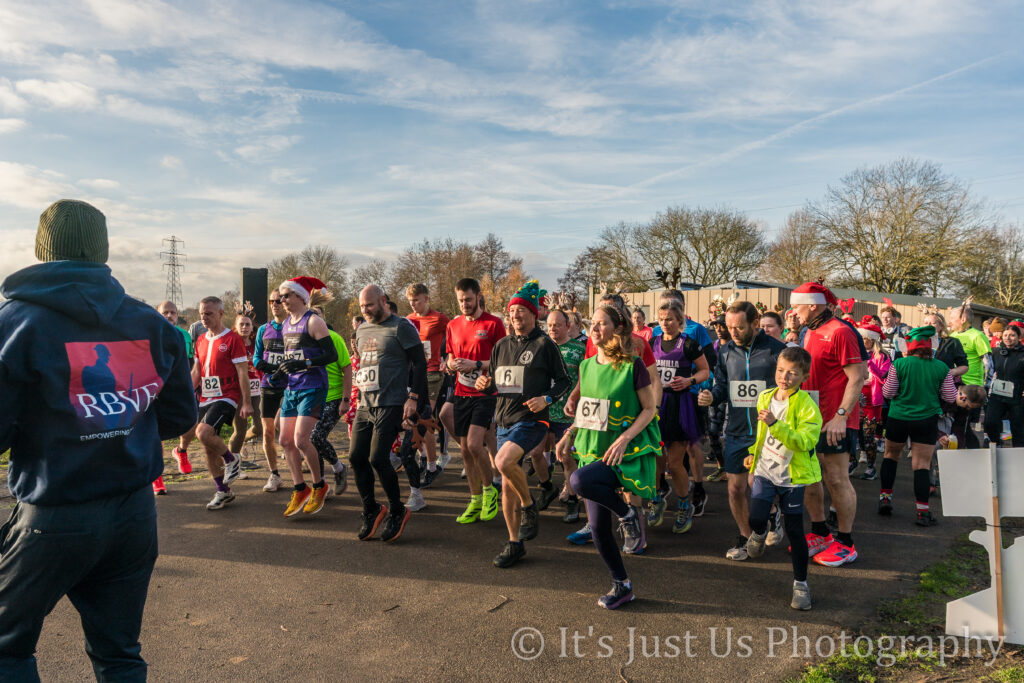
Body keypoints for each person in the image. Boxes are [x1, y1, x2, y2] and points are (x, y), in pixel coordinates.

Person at [0, 199, 198, 680]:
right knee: (119, 653)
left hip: (56, 512)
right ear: (102, 250)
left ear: (43, 249)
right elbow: (177, 415)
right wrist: (120, 424)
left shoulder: (15, 324)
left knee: (6, 647)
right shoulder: (152, 323)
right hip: (134, 514)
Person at [555, 304, 661, 608]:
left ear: (618, 329)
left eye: (603, 324)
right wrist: (570, 432)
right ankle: (622, 584)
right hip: (592, 448)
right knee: (599, 528)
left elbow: (649, 409)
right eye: (594, 324)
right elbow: (588, 410)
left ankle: (627, 513)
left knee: (578, 481)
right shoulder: (587, 366)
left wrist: (626, 439)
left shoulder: (633, 365)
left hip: (624, 454)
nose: (596, 329)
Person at [475, 281, 572, 568]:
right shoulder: (501, 346)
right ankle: (515, 542)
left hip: (532, 420)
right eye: (512, 311)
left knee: (503, 462)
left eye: (521, 311)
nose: (515, 315)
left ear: (533, 314)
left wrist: (547, 398)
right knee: (506, 485)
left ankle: (530, 507)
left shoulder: (545, 345)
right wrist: (483, 385)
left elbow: (565, 381)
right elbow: (494, 383)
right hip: (504, 419)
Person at [698, 301, 787, 561]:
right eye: (728, 327)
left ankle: (773, 515)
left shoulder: (776, 351)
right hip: (737, 430)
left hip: (767, 431)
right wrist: (710, 397)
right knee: (735, 489)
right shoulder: (725, 352)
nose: (732, 332)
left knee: (757, 484)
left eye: (739, 327)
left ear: (755, 324)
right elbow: (722, 387)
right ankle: (747, 538)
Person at [791, 281, 867, 567]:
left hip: (835, 420)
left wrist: (841, 415)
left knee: (836, 478)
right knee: (811, 475)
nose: (793, 312)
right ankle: (821, 532)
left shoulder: (841, 332)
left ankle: (846, 543)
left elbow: (857, 377)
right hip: (811, 420)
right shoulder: (808, 331)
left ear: (813, 305)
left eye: (797, 306)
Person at [742, 347, 823, 611]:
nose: (784, 378)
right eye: (780, 371)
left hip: (792, 477)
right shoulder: (765, 396)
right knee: (755, 516)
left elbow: (805, 441)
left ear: (804, 376)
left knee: (795, 531)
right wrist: (752, 454)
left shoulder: (807, 406)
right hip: (765, 469)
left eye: (792, 374)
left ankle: (801, 585)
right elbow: (760, 433)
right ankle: (761, 529)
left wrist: (778, 424)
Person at [350, 284, 428, 542]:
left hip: (392, 402)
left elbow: (419, 363)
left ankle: (397, 510)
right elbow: (364, 363)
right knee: (356, 457)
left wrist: (414, 398)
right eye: (362, 306)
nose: (366, 310)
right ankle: (371, 509)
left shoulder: (402, 326)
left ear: (383, 300)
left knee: (378, 459)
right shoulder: (361, 329)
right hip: (366, 402)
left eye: (370, 305)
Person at [273, 277, 339, 517]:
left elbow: (330, 355)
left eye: (287, 295)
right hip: (292, 388)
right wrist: (281, 372)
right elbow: (291, 358)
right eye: (281, 297)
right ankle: (300, 488)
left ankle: (319, 486)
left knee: (302, 439)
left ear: (301, 297)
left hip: (313, 387)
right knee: (285, 441)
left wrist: (306, 363)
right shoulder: (286, 324)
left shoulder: (314, 321)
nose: (282, 300)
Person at [879, 326, 957, 525]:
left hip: (898, 417)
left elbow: (888, 393)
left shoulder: (900, 363)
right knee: (921, 465)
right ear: (931, 346)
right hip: (926, 419)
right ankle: (923, 512)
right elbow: (950, 396)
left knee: (890, 456)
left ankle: (885, 499)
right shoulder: (941, 367)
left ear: (910, 346)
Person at [445, 278, 505, 524]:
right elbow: (450, 356)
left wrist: (477, 365)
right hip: (462, 391)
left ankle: (490, 489)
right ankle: (475, 498)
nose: (464, 304)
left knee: (473, 444)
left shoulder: (493, 324)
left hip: (486, 393)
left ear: (478, 296)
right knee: (464, 450)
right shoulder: (453, 324)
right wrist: (451, 364)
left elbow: (503, 362)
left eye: (468, 299)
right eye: (460, 300)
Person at [648, 300, 709, 535]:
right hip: (657, 405)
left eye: (670, 319)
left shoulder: (689, 344)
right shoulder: (653, 342)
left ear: (680, 319)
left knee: (675, 464)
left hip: (681, 405)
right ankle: (656, 499)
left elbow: (705, 371)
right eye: (662, 319)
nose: (666, 323)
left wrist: (689, 380)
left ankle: (684, 505)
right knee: (655, 460)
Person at [193, 296, 253, 510]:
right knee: (208, 445)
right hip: (205, 397)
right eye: (201, 313)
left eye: (208, 313)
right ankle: (223, 491)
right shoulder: (200, 339)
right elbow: (197, 371)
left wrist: (246, 402)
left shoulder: (232, 339)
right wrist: (187, 391)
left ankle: (231, 459)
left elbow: (243, 373)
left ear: (220, 313)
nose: (204, 317)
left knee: (202, 432)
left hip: (227, 395)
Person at [540, 308, 585, 521]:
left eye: (557, 325)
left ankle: (572, 501)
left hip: (567, 414)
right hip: (543, 411)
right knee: (535, 452)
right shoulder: (541, 347)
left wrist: (576, 399)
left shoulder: (579, 349)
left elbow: (586, 379)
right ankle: (546, 487)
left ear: (568, 326)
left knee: (567, 459)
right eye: (549, 326)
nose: (553, 329)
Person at [406, 283, 451, 485]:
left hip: (433, 373)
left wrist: (448, 359)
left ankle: (432, 466)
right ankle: (425, 458)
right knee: (417, 419)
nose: (413, 304)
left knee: (424, 419)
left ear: (426, 298)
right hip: (414, 375)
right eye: (410, 301)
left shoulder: (440, 318)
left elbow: (453, 338)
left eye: (416, 300)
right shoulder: (408, 320)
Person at [308, 301, 352, 496]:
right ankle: (321, 484)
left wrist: (346, 399)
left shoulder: (334, 338)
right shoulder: (304, 340)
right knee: (310, 441)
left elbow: (347, 368)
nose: (314, 319)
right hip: (311, 397)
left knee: (316, 437)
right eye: (310, 315)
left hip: (333, 397)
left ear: (323, 318)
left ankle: (338, 468)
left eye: (317, 314)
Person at [154, 300, 194, 491]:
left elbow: (191, 362)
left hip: (180, 388)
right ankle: (157, 477)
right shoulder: (151, 334)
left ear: (178, 315)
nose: (169, 316)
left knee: (191, 423)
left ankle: (181, 451)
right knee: (156, 435)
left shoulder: (185, 335)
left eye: (173, 313)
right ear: (158, 314)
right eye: (165, 313)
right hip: (157, 390)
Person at [252, 290, 289, 492]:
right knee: (267, 432)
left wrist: (285, 369)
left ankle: (301, 467)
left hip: (291, 385)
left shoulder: (294, 327)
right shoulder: (263, 329)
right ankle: (274, 474)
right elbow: (256, 358)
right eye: (271, 301)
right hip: (269, 385)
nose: (275, 304)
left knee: (286, 430)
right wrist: (272, 369)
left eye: (279, 300)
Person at [948, 300, 992, 448]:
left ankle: (972, 456)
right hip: (954, 387)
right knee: (953, 425)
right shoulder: (952, 335)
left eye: (952, 318)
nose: (949, 321)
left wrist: (985, 387)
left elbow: (988, 363)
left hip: (971, 388)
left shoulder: (977, 336)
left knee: (965, 427)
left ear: (963, 319)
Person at [855, 320, 891, 481]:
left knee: (869, 436)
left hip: (872, 401)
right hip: (854, 398)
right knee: (853, 434)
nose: (862, 342)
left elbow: (884, 377)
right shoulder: (854, 353)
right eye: (860, 338)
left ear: (873, 340)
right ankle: (851, 461)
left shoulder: (882, 356)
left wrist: (870, 362)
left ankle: (871, 467)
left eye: (865, 339)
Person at [228, 308, 263, 476]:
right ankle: (233, 466)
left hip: (258, 390)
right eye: (241, 324)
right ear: (236, 326)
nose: (244, 327)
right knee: (239, 431)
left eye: (247, 324)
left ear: (252, 327)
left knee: (260, 427)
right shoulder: (233, 343)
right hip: (240, 392)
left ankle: (244, 442)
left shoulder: (258, 342)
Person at [984, 322, 1024, 447]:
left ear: (1019, 337)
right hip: (997, 394)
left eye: (1012, 335)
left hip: (1017, 396)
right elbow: (988, 369)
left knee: (1018, 429)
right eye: (1005, 335)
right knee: (990, 422)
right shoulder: (995, 352)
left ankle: (1019, 456)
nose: (1008, 338)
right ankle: (996, 442)